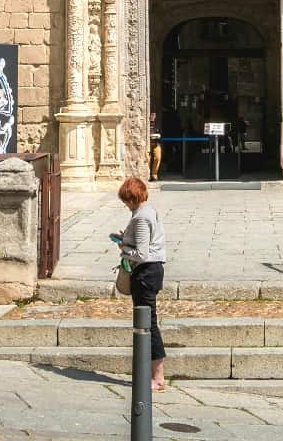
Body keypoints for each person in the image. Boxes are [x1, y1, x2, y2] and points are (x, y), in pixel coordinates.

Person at [114, 176, 167, 390]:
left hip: (146, 273)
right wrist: (125, 238)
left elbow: (142, 253)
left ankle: (158, 376)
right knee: (148, 322)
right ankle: (154, 373)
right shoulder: (149, 211)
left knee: (148, 324)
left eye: (126, 201)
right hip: (152, 270)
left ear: (132, 198)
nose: (125, 205)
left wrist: (124, 249)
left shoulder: (141, 218)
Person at [148, 111, 162, 181]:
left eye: (154, 115)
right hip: (148, 143)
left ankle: (154, 174)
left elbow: (160, 134)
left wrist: (158, 135)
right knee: (148, 159)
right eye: (152, 115)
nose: (153, 117)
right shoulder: (146, 124)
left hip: (156, 143)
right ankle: (148, 174)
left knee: (157, 157)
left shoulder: (157, 125)